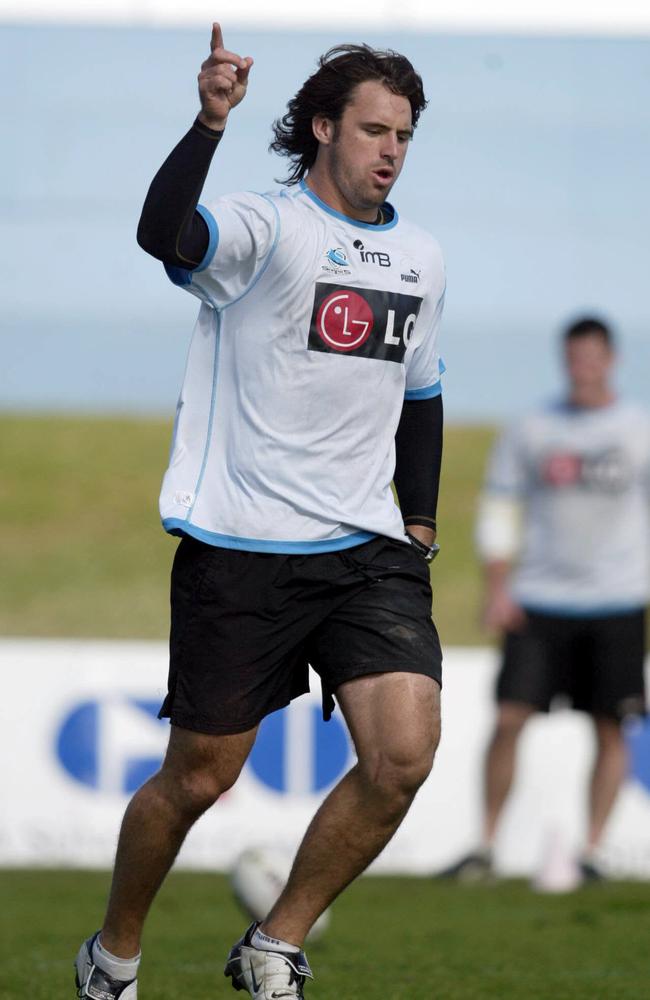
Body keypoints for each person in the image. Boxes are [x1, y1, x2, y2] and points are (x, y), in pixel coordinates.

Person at [74, 23, 446, 1000]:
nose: (389, 151)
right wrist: (207, 122)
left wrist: (420, 522)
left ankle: (273, 942)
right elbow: (164, 233)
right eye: (372, 130)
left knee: (402, 752)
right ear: (323, 127)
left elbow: (420, 394)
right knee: (199, 777)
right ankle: (114, 950)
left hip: (367, 547)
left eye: (402, 134)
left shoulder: (421, 256)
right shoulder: (257, 227)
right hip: (241, 547)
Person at [440, 316, 649, 885]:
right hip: (539, 601)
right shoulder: (532, 427)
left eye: (591, 357)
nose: (582, 367)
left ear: (610, 359)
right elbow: (500, 508)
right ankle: (484, 847)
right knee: (509, 718)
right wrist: (498, 587)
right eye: (572, 357)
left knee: (611, 726)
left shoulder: (639, 429)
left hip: (618, 601)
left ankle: (593, 852)